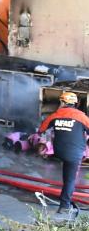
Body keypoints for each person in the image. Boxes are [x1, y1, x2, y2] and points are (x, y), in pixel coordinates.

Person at [38, 91, 89, 219]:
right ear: (75, 104)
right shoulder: (82, 117)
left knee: (68, 171)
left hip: (59, 152)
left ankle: (65, 201)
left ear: (62, 102)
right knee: (70, 179)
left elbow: (41, 130)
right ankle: (64, 206)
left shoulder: (55, 115)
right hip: (74, 154)